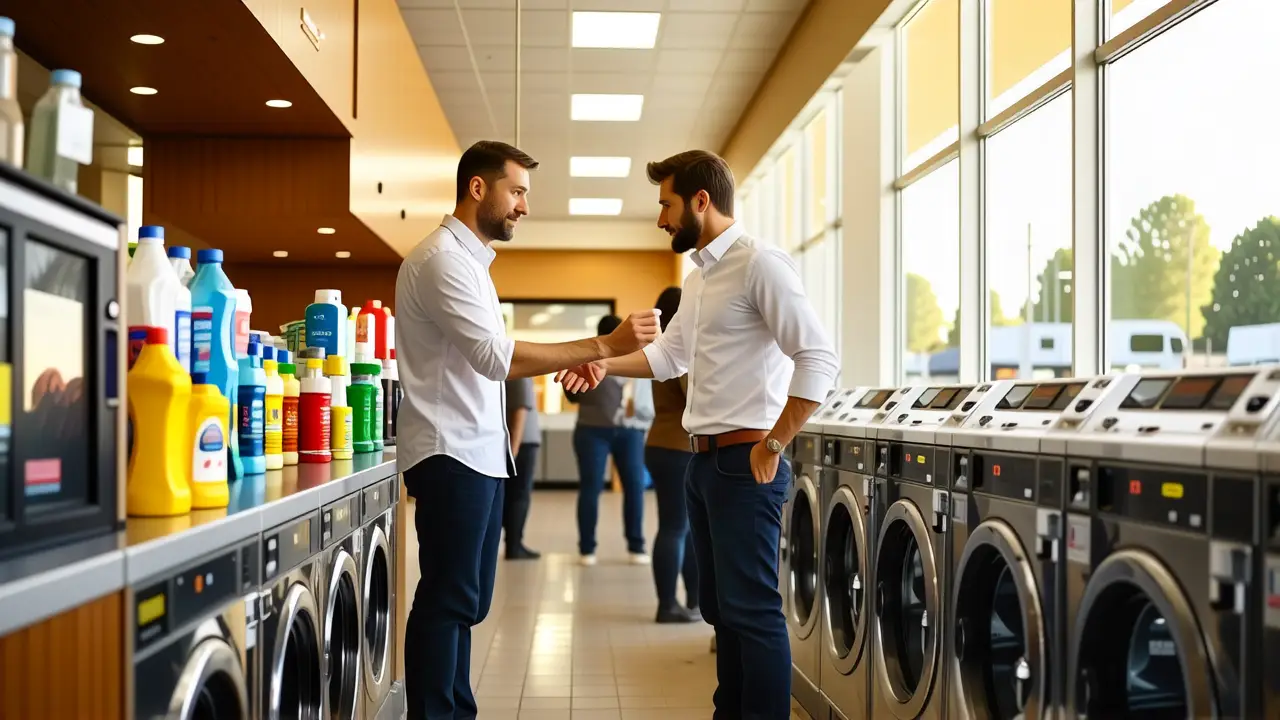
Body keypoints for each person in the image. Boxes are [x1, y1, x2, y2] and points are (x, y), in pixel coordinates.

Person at [556, 150, 839, 718]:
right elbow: (668, 356)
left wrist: (774, 445)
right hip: (702, 464)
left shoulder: (761, 264)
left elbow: (819, 358)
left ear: (700, 202)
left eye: (667, 205)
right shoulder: (699, 277)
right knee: (721, 612)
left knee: (752, 612)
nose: (661, 218)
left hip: (746, 460)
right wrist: (606, 363)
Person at [395, 140, 660, 720]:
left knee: (466, 602)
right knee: (447, 599)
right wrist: (601, 345)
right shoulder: (441, 260)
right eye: (516, 191)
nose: (524, 206)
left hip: (477, 453)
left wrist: (581, 358)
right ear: (478, 188)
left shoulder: (472, 265)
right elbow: (495, 358)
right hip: (450, 452)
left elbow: (494, 357)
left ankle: (455, 710)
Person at [565, 314, 652, 566]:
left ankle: (632, 545)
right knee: (594, 488)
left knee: (632, 486)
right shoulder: (587, 354)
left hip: (628, 431)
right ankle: (589, 548)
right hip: (593, 431)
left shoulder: (635, 356)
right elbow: (572, 395)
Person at [644, 286, 701, 624]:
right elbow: (692, 393)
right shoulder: (680, 347)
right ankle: (667, 605)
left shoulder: (660, 346)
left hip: (661, 443)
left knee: (684, 528)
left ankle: (693, 600)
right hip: (678, 448)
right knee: (676, 528)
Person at [503, 375, 540, 560]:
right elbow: (520, 407)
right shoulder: (520, 371)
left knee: (515, 495)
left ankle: (514, 543)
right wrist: (513, 450)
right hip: (521, 442)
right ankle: (514, 546)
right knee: (519, 496)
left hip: (519, 441)